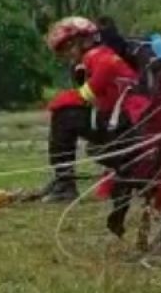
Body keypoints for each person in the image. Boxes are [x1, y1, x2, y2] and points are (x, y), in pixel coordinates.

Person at [40, 16, 151, 235]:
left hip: (127, 125)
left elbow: (86, 95)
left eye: (69, 46)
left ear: (85, 40)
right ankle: (64, 179)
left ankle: (64, 182)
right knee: (70, 119)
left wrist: (56, 103)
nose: (67, 54)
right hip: (120, 122)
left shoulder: (101, 59)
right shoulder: (98, 58)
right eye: (63, 50)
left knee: (64, 116)